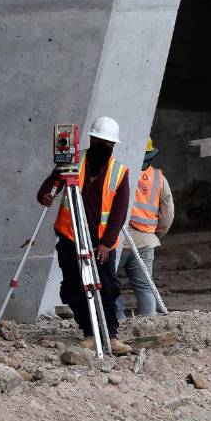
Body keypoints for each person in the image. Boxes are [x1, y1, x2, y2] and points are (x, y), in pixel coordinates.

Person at [38, 117, 132, 355]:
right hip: (71, 236)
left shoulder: (119, 172)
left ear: (113, 146)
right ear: (92, 139)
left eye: (108, 144)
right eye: (100, 141)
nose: (103, 146)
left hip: (100, 242)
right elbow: (49, 187)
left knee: (107, 287)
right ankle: (89, 333)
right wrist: (45, 195)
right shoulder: (72, 162)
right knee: (73, 286)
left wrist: (106, 243)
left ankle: (110, 335)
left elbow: (119, 213)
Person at [115, 137, 174, 319]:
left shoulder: (117, 173)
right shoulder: (159, 178)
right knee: (145, 285)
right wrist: (155, 234)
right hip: (146, 240)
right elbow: (168, 213)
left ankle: (118, 322)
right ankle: (149, 321)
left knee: (110, 283)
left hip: (118, 240)